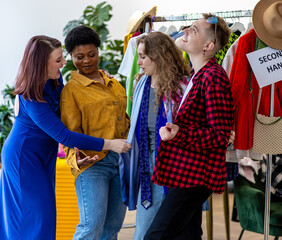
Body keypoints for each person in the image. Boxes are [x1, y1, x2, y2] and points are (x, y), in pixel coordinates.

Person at [0, 35, 128, 240]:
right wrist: (110, 144)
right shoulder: (31, 97)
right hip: (24, 158)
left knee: (44, 215)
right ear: (42, 64)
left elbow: (71, 108)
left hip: (43, 156)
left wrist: (98, 80)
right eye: (58, 60)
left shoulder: (55, 80)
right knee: (36, 216)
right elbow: (65, 136)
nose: (64, 63)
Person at [144, 14, 234, 239]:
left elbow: (220, 135)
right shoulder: (197, 75)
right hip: (186, 172)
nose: (184, 30)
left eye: (193, 30)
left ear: (208, 45)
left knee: (155, 236)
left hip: (195, 175)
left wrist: (179, 133)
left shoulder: (213, 77)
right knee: (187, 235)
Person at [60, 25, 131, 240]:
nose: (87, 61)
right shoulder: (71, 91)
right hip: (92, 164)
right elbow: (69, 134)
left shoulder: (114, 84)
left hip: (120, 163)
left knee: (111, 229)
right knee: (91, 228)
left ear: (98, 51)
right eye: (79, 57)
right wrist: (74, 160)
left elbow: (125, 120)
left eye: (92, 54)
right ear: (71, 56)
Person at [120, 31, 191, 240]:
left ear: (159, 55)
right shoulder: (141, 83)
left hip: (172, 163)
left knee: (159, 226)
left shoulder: (182, 87)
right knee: (149, 223)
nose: (139, 62)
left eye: (143, 57)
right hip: (147, 162)